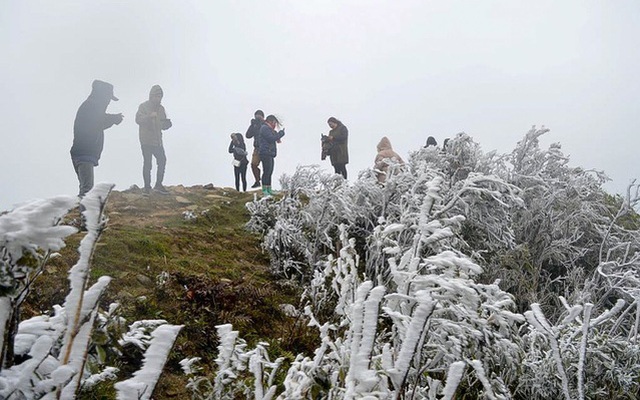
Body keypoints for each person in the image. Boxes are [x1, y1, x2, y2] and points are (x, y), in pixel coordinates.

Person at [70, 79, 123, 197]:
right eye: (109, 97)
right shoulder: (91, 106)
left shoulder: (90, 106)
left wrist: (112, 119)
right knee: (87, 191)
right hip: (84, 154)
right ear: (102, 96)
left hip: (82, 154)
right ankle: (83, 214)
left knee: (85, 189)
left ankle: (82, 213)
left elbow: (98, 122)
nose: (109, 101)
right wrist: (113, 119)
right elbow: (97, 121)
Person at [136, 85, 172, 194]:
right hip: (146, 140)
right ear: (151, 96)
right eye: (156, 96)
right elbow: (138, 119)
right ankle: (147, 187)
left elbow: (162, 124)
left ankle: (158, 185)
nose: (158, 98)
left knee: (162, 160)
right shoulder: (143, 106)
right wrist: (149, 116)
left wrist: (167, 124)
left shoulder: (161, 109)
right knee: (148, 163)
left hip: (158, 140)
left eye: (160, 96)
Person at [257, 115, 285, 196]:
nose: (275, 125)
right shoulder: (264, 128)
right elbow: (271, 138)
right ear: (270, 121)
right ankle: (264, 190)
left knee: (270, 171)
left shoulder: (268, 129)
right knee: (266, 171)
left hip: (270, 153)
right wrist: (280, 134)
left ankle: (269, 189)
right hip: (265, 153)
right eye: (274, 123)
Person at [245, 110, 265, 188]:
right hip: (256, 148)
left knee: (266, 167)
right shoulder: (254, 125)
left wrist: (261, 122)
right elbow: (248, 135)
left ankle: (265, 185)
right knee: (253, 165)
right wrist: (252, 125)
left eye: (259, 116)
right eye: (256, 116)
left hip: (264, 148)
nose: (257, 118)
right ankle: (257, 180)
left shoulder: (265, 124)